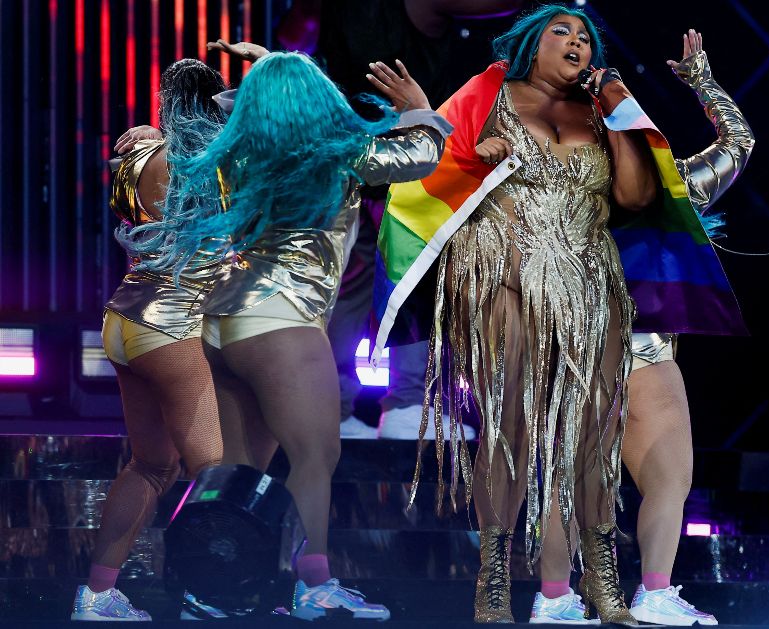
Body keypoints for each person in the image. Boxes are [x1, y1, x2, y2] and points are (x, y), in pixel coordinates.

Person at [375, 5, 744, 624]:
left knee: (591, 446)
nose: (576, 41)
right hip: (508, 280)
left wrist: (629, 102)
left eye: (586, 37)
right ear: (530, 42)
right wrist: (422, 115)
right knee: (517, 433)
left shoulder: (609, 121)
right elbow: (441, 162)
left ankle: (618, 589)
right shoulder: (490, 93)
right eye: (561, 31)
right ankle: (505, 586)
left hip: (598, 299)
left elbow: (635, 193)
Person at [123, 45, 451, 620]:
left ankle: (215, 588)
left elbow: (222, 114)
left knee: (236, 472)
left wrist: (264, 73)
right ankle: (314, 588)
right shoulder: (342, 153)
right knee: (315, 457)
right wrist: (420, 106)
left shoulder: (237, 154)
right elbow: (422, 154)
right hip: (284, 322)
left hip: (221, 323)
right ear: (319, 98)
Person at [531, 29, 755, 626]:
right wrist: (701, 81)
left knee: (573, 482)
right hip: (635, 351)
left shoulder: (559, 188)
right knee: (663, 478)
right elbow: (739, 142)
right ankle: (650, 593)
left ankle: (555, 598)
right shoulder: (668, 186)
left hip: (575, 347)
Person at [276, 0, 522, 441]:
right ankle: (395, 405)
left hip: (375, 165)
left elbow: (293, 38)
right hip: (380, 165)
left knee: (366, 289)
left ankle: (347, 408)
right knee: (397, 283)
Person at [71, 59, 227, 622]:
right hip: (175, 323)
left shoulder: (137, 155)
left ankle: (97, 594)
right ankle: (208, 596)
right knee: (217, 474)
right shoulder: (216, 163)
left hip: (124, 317)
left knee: (151, 466)